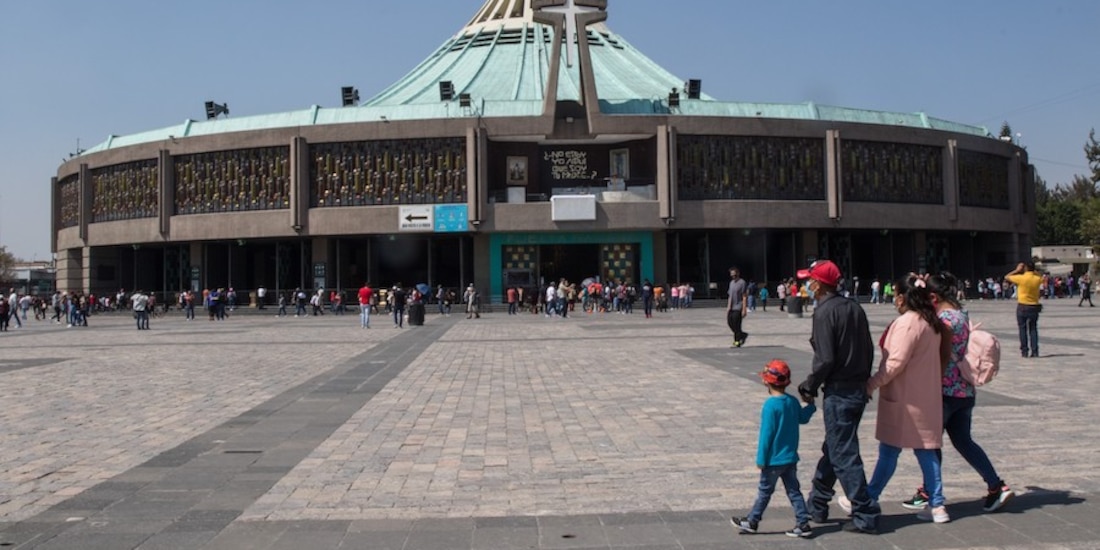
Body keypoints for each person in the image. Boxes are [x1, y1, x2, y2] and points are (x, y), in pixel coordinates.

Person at [897, 273, 1015, 513]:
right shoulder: (962, 315)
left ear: (934, 297)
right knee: (964, 441)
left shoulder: (944, 321)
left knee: (929, 444)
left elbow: (938, 355)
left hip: (944, 390)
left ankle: (929, 491)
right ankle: (996, 485)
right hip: (964, 389)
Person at [854, 275, 950, 523]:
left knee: (889, 450)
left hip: (905, 398)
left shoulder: (908, 323)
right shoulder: (931, 322)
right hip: (926, 396)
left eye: (896, 294)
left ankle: (871, 495)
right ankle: (937, 505)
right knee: (926, 451)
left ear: (902, 298)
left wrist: (872, 384)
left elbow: (895, 363)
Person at [794, 259, 879, 534]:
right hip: (856, 388)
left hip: (839, 391)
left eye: (809, 279)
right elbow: (868, 349)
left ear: (818, 284)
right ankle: (816, 504)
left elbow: (825, 358)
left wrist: (810, 384)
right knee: (834, 448)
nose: (806, 284)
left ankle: (865, 512)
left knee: (843, 453)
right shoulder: (854, 308)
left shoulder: (824, 312)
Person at [731, 360, 817, 538]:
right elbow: (803, 418)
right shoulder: (792, 401)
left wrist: (761, 459)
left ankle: (753, 521)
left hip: (773, 460)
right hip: (790, 458)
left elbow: (766, 435)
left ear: (766, 381)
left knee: (764, 492)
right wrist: (811, 406)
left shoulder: (770, 406)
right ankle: (803, 523)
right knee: (794, 491)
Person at [1005, 261, 1042, 358]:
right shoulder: (1037, 278)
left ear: (1025, 268)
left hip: (1023, 306)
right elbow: (1041, 276)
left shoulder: (1021, 278)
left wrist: (1017, 270)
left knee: (1022, 329)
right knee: (1033, 329)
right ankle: (1035, 351)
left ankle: (1024, 351)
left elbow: (1007, 276)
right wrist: (1034, 272)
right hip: (1034, 306)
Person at [726, 267, 749, 347]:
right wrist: (728, 306)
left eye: (735, 275)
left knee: (737, 323)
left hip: (738, 306)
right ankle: (742, 335)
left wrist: (744, 309)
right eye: (732, 275)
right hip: (731, 307)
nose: (733, 277)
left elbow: (744, 296)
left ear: (738, 274)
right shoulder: (731, 283)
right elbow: (730, 296)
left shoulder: (742, 283)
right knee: (730, 322)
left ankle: (737, 341)